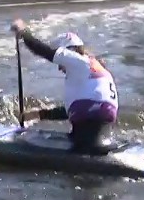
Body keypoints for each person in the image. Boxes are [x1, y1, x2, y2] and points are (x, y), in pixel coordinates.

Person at [10, 19, 119, 154]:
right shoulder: (91, 69)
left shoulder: (78, 61)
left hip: (89, 125)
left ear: (69, 52)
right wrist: (38, 114)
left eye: (60, 63)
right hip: (101, 124)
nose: (59, 68)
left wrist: (23, 33)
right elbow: (74, 109)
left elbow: (43, 50)